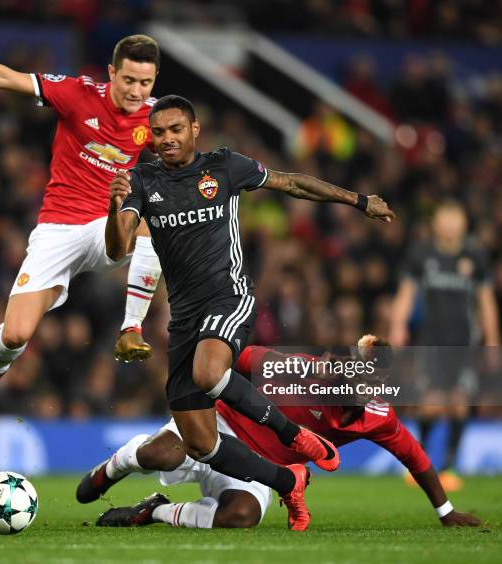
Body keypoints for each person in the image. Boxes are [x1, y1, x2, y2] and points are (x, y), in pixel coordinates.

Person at [105, 94, 395, 530]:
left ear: (195, 130)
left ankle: (293, 435)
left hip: (229, 297)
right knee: (201, 443)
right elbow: (117, 248)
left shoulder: (223, 166)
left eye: (176, 130)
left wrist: (357, 200)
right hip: (184, 318)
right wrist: (114, 207)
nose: (167, 139)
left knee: (208, 373)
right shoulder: (141, 180)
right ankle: (286, 480)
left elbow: (292, 182)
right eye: (159, 132)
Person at [0, 29, 165, 412]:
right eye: (129, 80)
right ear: (111, 73)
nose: (136, 91)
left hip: (105, 226)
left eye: (145, 82)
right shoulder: (77, 94)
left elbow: (182, 153)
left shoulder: (155, 115)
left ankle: (132, 328)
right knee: (16, 334)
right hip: (57, 230)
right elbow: (7, 78)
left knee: (152, 222)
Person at [77, 336, 481, 529]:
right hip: (217, 426)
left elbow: (414, 457)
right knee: (156, 455)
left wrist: (446, 513)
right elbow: (242, 358)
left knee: (242, 516)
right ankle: (115, 466)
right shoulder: (303, 369)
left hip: (256, 467)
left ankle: (155, 510)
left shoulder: (376, 416)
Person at [389, 201, 499, 491]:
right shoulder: (422, 254)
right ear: (435, 222)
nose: (450, 224)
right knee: (431, 402)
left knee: (460, 401)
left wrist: (492, 341)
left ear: (464, 223)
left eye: (455, 218)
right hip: (430, 341)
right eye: (445, 218)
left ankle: (449, 467)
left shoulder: (475, 256)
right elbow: (406, 293)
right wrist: (398, 325)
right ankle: (421, 464)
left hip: (465, 343)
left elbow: (485, 301)